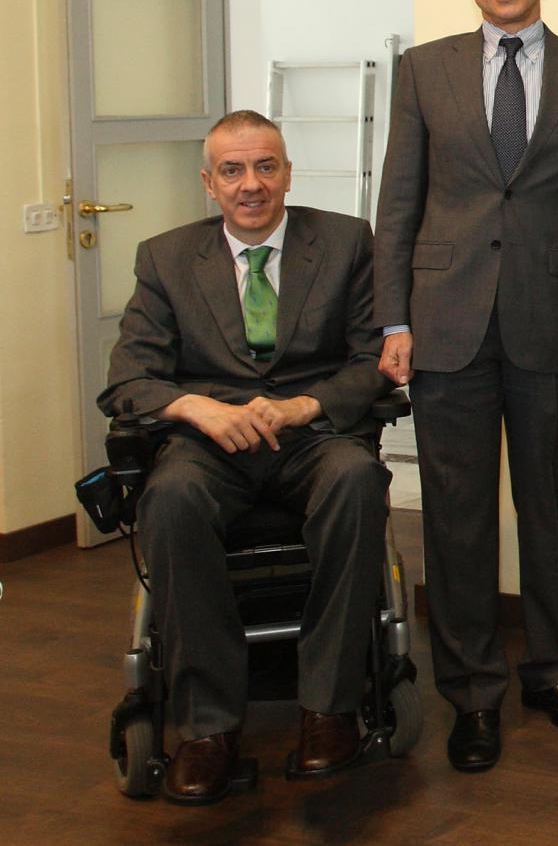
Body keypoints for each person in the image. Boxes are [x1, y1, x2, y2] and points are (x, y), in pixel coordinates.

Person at [374, 0, 558, 772]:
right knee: (457, 518)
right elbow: (398, 202)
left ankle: (551, 673)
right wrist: (393, 319)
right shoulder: (424, 70)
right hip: (445, 325)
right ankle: (472, 693)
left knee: (548, 508)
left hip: (553, 323)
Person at [100, 111, 390, 804]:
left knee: (356, 480)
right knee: (170, 498)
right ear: (209, 183)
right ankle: (207, 728)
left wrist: (305, 406)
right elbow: (127, 377)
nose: (250, 184)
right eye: (232, 170)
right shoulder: (166, 257)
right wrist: (195, 407)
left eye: (265, 167)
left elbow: (374, 358)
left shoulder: (346, 241)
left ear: (288, 174)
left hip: (311, 436)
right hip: (212, 443)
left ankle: (329, 709)